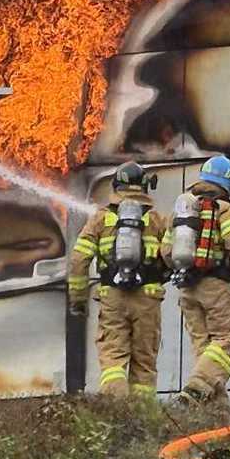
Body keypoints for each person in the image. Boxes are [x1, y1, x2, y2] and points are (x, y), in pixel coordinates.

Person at [67, 161, 169, 399]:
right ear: (145, 187)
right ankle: (142, 419)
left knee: (113, 358)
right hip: (148, 297)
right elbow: (172, 255)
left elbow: (78, 259)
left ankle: (116, 411)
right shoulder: (157, 220)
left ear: (116, 186)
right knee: (144, 362)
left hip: (112, 297)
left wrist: (78, 299)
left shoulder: (100, 219)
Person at [170, 154, 230, 400]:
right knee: (227, 338)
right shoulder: (223, 208)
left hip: (187, 287)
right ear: (228, 184)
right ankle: (196, 387)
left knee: (205, 345)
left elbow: (166, 251)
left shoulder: (185, 209)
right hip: (216, 285)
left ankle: (212, 406)